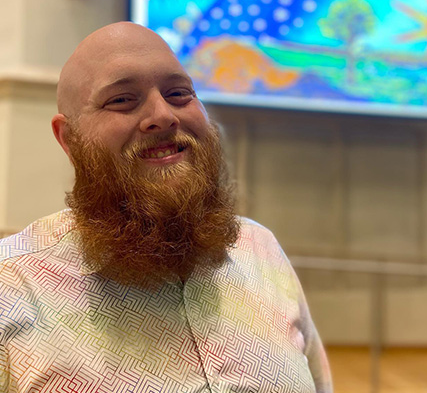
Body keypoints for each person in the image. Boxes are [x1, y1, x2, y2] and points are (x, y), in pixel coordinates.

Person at [0, 22, 332, 393]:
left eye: (178, 93)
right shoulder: (11, 287)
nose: (163, 115)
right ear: (69, 138)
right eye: (122, 100)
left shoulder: (261, 250)